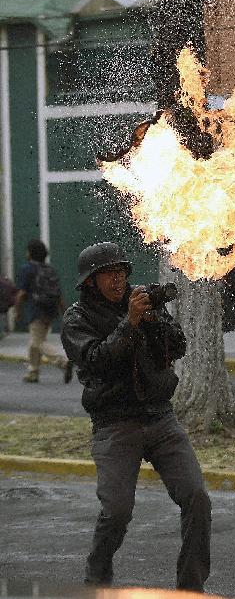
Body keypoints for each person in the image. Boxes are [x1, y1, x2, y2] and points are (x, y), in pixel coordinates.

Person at [60, 242, 211, 591]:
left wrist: (153, 319)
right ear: (91, 281)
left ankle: (191, 588)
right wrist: (129, 324)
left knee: (197, 499)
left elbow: (179, 347)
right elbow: (97, 361)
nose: (118, 280)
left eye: (122, 273)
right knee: (117, 512)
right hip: (115, 424)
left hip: (160, 418)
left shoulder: (141, 302)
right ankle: (96, 581)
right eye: (109, 275)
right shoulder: (77, 319)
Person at [13, 239, 73, 383]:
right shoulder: (50, 269)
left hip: (36, 310)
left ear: (30, 253)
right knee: (36, 340)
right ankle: (33, 372)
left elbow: (21, 294)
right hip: (50, 310)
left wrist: (17, 310)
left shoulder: (27, 268)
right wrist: (63, 311)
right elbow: (58, 295)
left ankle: (63, 361)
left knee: (37, 342)